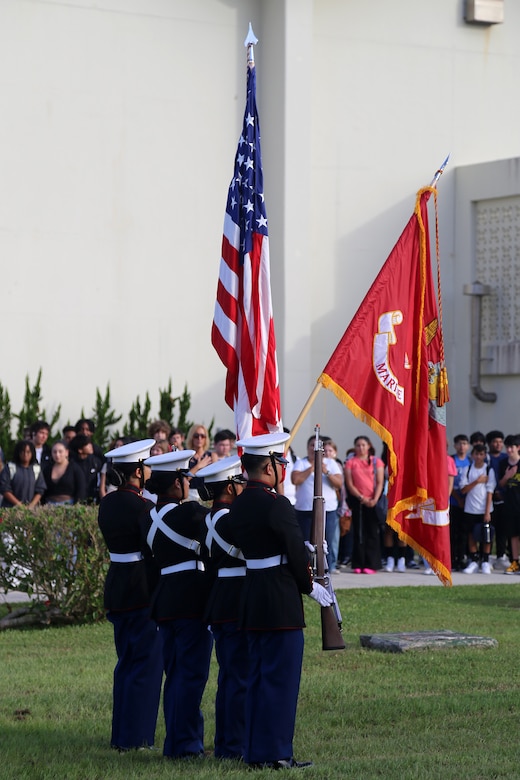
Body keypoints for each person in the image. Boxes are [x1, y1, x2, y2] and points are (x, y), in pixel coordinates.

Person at [225, 431, 331, 770]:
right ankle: (276, 754)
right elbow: (293, 550)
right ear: (269, 467)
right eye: (279, 462)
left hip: (253, 596)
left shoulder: (239, 503)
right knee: (280, 683)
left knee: (256, 679)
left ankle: (257, 751)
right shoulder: (277, 504)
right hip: (280, 602)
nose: (282, 468)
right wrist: (309, 584)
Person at [141, 449, 213, 759]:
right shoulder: (190, 513)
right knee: (191, 675)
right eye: (185, 477)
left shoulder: (149, 518)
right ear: (176, 483)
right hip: (190, 600)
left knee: (176, 675)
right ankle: (185, 746)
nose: (188, 483)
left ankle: (177, 742)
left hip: (165, 601)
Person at [97, 438, 162, 753]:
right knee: (145, 665)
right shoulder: (144, 507)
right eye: (146, 465)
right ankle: (137, 738)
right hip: (140, 589)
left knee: (125, 663)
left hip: (117, 586)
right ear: (137, 471)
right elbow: (153, 552)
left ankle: (121, 735)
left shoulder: (107, 503)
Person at [197, 456, 248, 760]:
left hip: (220, 597)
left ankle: (227, 742)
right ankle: (234, 745)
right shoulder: (231, 519)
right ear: (229, 486)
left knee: (230, 676)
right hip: (237, 598)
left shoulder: (206, 518)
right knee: (238, 676)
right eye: (239, 483)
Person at [291, 435, 343, 573]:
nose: (314, 448)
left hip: (328, 509)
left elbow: (339, 483)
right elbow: (295, 480)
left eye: (317, 446)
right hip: (305, 509)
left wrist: (325, 471)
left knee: (328, 540)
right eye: (311, 445)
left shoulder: (331, 463)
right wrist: (313, 467)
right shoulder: (301, 463)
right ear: (308, 447)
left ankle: (329, 567)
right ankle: (308, 567)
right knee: (307, 541)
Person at [344, 435, 384, 574]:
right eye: (358, 445)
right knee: (358, 532)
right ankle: (358, 563)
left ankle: (371, 564)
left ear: (369, 446)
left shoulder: (376, 462)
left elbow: (380, 482)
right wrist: (361, 497)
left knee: (372, 532)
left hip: (373, 500)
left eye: (363, 445)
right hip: (358, 500)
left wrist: (374, 499)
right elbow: (349, 483)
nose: (361, 448)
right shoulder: (350, 462)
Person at [459, 444, 496, 574]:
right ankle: (474, 561)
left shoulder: (489, 470)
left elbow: (490, 491)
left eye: (481, 454)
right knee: (471, 535)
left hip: (484, 509)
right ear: (472, 455)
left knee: (486, 536)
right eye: (476, 454)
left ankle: (485, 561)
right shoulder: (467, 469)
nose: (479, 457)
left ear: (485, 455)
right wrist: (477, 481)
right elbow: (463, 490)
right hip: (470, 509)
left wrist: (487, 512)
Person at [486, 429, 509, 569]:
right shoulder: (485, 458)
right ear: (489, 443)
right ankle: (486, 557)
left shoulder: (507, 458)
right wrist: (493, 492)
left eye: (501, 442)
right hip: (488, 500)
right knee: (489, 530)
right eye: (495, 442)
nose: (498, 444)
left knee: (503, 530)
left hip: (504, 500)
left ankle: (501, 556)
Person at [0, 440, 47, 508]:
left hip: (30, 510)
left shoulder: (36, 469)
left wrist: (31, 505)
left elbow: (40, 490)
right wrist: (19, 505)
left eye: (28, 452)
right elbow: (4, 488)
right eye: (22, 451)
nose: (25, 454)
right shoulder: (10, 467)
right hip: (10, 508)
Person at [498, 434, 520, 574]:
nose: (509, 450)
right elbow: (500, 484)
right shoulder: (503, 464)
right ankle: (515, 562)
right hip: (510, 505)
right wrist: (507, 476)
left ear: (518, 448)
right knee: (513, 535)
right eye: (507, 447)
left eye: (511, 447)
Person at [449, 434, 471, 571]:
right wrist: (458, 499)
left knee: (465, 533)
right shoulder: (451, 460)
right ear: (455, 446)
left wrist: (464, 499)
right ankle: (452, 558)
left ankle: (463, 557)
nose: (462, 446)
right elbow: (448, 483)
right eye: (459, 444)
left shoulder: (471, 461)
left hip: (468, 503)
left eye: (464, 443)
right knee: (453, 532)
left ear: (468, 446)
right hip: (453, 501)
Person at [69, 434, 104, 503]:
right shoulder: (71, 464)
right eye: (87, 444)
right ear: (80, 450)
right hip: (75, 501)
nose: (91, 446)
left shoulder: (95, 461)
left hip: (93, 500)